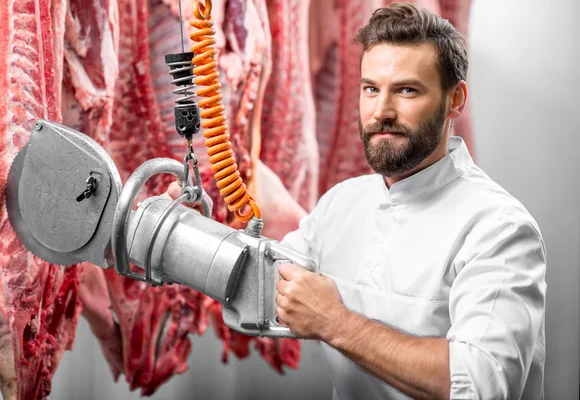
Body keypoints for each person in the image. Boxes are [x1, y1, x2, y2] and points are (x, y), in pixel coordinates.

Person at [166, 3, 546, 399]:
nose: (381, 111)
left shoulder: (498, 228)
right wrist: (187, 235)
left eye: (407, 90)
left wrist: (335, 321)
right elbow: (259, 286)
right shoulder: (342, 205)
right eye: (371, 89)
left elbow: (482, 384)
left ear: (455, 99)